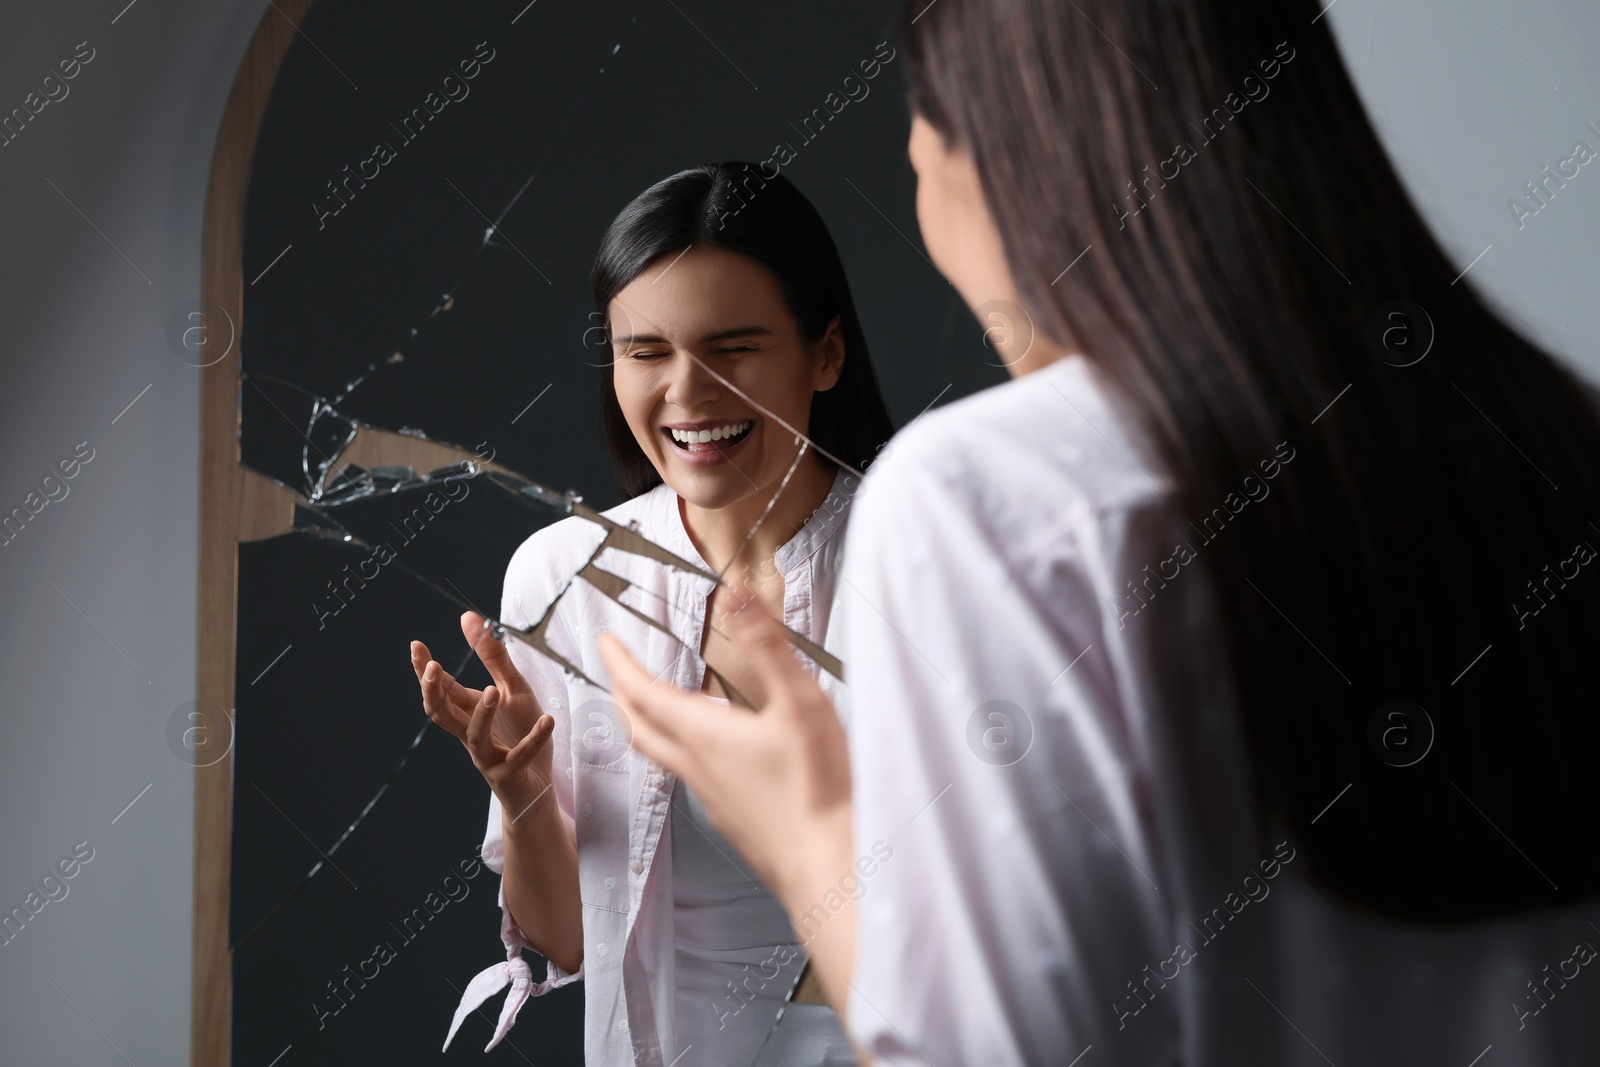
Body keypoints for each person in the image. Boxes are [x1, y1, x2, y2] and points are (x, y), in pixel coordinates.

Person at [603, 1, 1600, 1064]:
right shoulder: (1550, 438)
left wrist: (805, 834)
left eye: (923, 131)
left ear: (1007, 152)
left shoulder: (984, 501)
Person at [415, 163, 893, 1064]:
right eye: (646, 352)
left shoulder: (919, 556)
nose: (688, 392)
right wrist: (518, 790)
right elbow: (567, 942)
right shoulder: (565, 573)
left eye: (734, 347)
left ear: (825, 352)